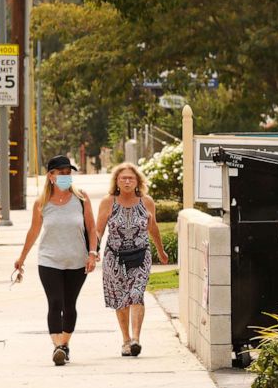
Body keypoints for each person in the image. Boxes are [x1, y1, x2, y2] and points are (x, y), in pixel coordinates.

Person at [13, 155, 99, 366]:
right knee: (55, 303)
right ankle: (57, 346)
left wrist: (92, 253)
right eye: (61, 173)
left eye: (69, 173)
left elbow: (92, 228)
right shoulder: (42, 203)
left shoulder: (81, 198)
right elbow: (34, 231)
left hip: (77, 261)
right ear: (51, 176)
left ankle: (65, 343)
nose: (66, 177)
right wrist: (21, 257)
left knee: (70, 305)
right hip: (49, 260)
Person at [96, 162, 168, 357]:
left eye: (131, 178)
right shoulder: (108, 202)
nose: (127, 181)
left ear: (137, 181)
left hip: (140, 254)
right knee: (121, 300)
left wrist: (160, 251)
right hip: (114, 257)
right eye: (123, 178)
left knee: (136, 294)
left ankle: (136, 339)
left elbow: (153, 227)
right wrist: (93, 251)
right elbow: (99, 230)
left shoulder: (146, 201)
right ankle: (126, 340)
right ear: (117, 182)